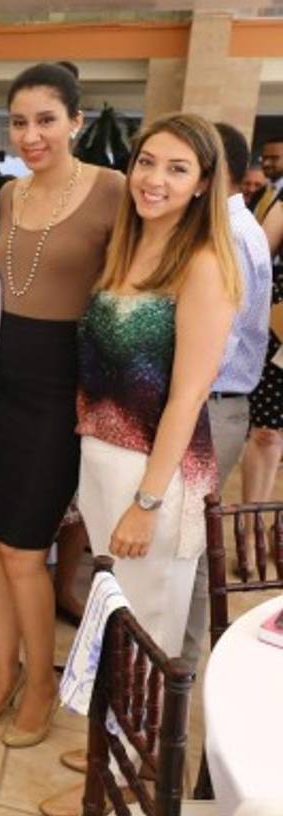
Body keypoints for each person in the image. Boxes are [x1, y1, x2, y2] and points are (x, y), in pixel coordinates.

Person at [41, 111, 239, 816]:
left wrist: (146, 502)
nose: (155, 179)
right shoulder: (126, 250)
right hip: (103, 465)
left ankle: (130, 774)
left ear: (203, 183)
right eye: (147, 162)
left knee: (145, 632)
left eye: (177, 168)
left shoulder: (204, 264)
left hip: (155, 477)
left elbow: (187, 395)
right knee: (113, 626)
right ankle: (110, 742)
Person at [0, 62, 125, 748]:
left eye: (45, 120)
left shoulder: (112, 190)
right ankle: (3, 674)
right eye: (20, 122)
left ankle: (40, 684)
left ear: (76, 123)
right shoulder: (8, 196)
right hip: (0, 383)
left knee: (28, 549)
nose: (32, 135)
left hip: (63, 387)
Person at [179, 123, 271, 670]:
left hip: (209, 407)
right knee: (187, 549)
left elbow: (212, 344)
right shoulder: (232, 225)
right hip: (213, 405)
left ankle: (180, 674)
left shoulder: (226, 235)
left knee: (189, 552)